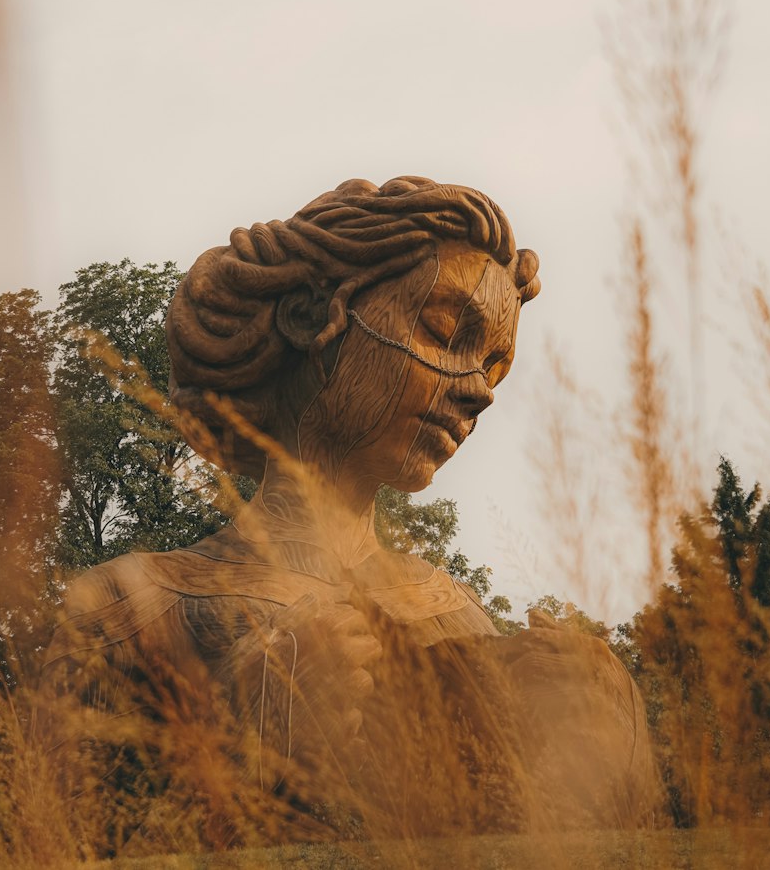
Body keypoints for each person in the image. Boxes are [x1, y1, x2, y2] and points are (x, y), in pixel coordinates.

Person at [42, 176, 651, 843]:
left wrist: (600, 738)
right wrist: (254, 744)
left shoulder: (452, 609)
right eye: (445, 332)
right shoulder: (125, 611)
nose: (479, 391)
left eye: (494, 367)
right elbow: (35, 845)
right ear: (310, 316)